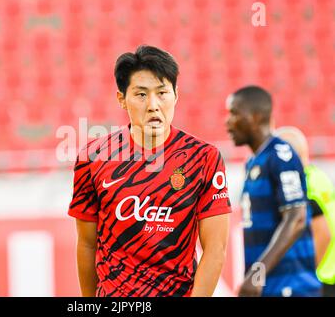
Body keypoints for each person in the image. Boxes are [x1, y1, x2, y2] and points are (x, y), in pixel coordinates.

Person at [68, 45, 231, 297]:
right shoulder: (93, 158)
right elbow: (87, 244)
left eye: (162, 93)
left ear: (176, 94)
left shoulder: (204, 158)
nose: (154, 105)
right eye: (141, 95)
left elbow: (215, 248)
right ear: (122, 99)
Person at [225, 85, 321, 297]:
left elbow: (296, 217)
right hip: (270, 288)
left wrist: (256, 274)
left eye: (233, 113)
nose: (227, 122)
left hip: (293, 288)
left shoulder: (281, 154)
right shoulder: (254, 162)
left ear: (255, 117)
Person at [275, 126, 335, 297]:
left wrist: (305, 275)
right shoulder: (317, 176)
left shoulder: (303, 186)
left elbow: (323, 233)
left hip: (320, 276)